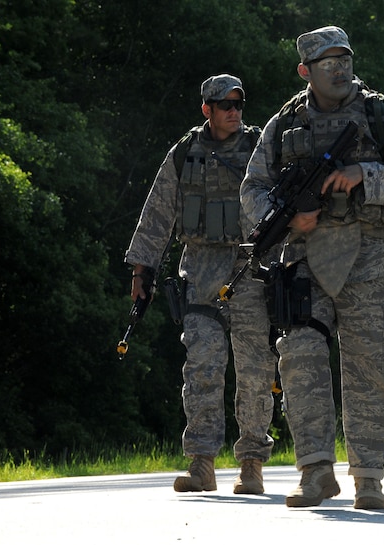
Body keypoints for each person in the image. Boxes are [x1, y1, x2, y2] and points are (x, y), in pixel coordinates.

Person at [240, 26, 384, 509]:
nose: (339, 67)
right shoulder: (283, 124)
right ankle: (315, 471)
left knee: (369, 368)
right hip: (305, 258)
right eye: (327, 60)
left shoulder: (381, 116)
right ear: (306, 70)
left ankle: (367, 477)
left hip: (372, 259)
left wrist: (364, 175)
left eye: (344, 57)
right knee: (300, 356)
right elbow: (252, 190)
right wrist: (286, 220)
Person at [125, 74, 276, 495]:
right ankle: (202, 464)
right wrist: (142, 270)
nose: (233, 111)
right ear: (206, 108)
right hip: (201, 271)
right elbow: (157, 212)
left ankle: (250, 464)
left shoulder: (260, 148)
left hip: (251, 269)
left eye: (239, 103)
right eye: (223, 104)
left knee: (254, 370)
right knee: (203, 368)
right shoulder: (185, 152)